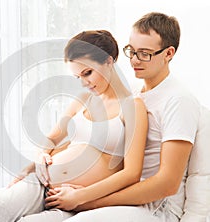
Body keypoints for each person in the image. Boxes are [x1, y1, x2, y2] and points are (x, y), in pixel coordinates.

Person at [0, 30, 148, 222]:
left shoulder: (132, 107)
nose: (84, 83)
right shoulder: (84, 99)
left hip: (76, 200)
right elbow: (52, 138)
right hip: (42, 182)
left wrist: (80, 197)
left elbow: (131, 174)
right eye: (78, 77)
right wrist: (40, 156)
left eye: (87, 73)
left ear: (108, 62)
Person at [51, 12, 201, 222]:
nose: (134, 60)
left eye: (145, 54)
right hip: (120, 197)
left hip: (155, 208)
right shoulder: (135, 94)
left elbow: (167, 184)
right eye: (132, 51)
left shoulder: (178, 101)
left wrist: (86, 202)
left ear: (168, 53)